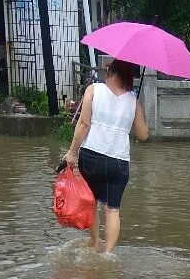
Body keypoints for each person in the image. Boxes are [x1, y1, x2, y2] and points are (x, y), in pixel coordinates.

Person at [63, 58, 149, 254]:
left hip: (92, 155)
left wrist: (72, 152)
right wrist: (137, 109)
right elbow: (143, 135)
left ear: (109, 71)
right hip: (119, 162)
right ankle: (108, 254)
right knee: (113, 210)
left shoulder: (94, 90)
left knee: (91, 203)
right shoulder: (133, 101)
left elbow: (83, 124)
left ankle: (94, 244)